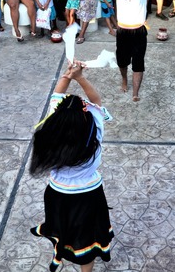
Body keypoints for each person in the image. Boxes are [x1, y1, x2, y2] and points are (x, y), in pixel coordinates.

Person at [30, 61, 113, 272]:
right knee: (88, 239)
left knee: (61, 227)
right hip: (88, 195)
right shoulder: (95, 126)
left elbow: (56, 97)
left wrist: (67, 75)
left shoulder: (51, 127)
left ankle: (60, 251)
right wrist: (79, 77)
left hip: (57, 192)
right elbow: (96, 100)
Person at [113, 0, 153, 102]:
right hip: (122, 31)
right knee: (122, 61)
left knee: (138, 62)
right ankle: (124, 79)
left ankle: (135, 92)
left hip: (139, 31)